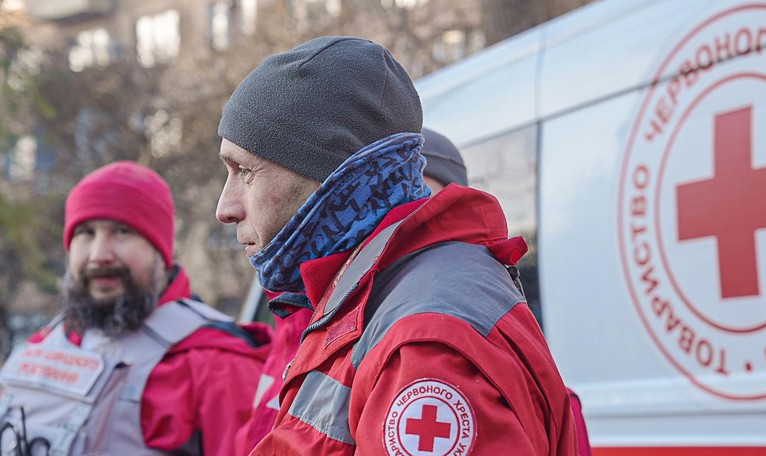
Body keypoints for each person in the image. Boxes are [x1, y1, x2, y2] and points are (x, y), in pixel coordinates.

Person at [216, 36, 577, 455]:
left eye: (244, 171)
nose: (225, 208)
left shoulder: (424, 345)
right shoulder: (372, 303)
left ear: (331, 175)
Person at [0, 161, 272, 455]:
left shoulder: (218, 363)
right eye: (86, 233)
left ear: (161, 252)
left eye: (122, 232)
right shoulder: (42, 345)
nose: (100, 255)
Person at [234, 126, 473, 455]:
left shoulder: (428, 328)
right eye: (386, 195)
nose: (402, 216)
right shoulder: (290, 309)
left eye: (423, 196)